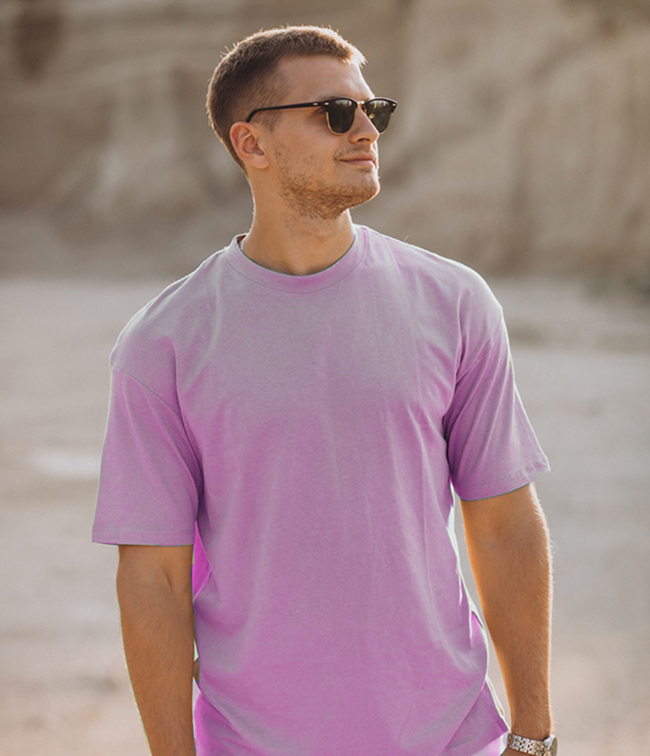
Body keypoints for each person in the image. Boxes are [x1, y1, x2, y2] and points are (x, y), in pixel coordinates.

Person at [92, 25, 556, 756]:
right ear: (252, 143)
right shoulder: (164, 343)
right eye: (335, 113)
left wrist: (534, 737)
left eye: (375, 111)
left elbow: (503, 523)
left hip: (450, 738)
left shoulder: (455, 302)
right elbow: (154, 579)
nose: (366, 131)